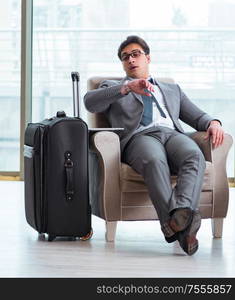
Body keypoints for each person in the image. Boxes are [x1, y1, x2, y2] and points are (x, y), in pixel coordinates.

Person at [84, 35, 224, 255]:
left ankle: (178, 220)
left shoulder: (171, 90)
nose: (130, 59)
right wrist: (128, 88)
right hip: (140, 138)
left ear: (148, 58)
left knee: (194, 156)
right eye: (125, 57)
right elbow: (90, 102)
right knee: (154, 160)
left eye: (136, 54)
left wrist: (213, 122)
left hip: (172, 135)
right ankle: (183, 226)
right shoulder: (114, 87)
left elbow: (197, 116)